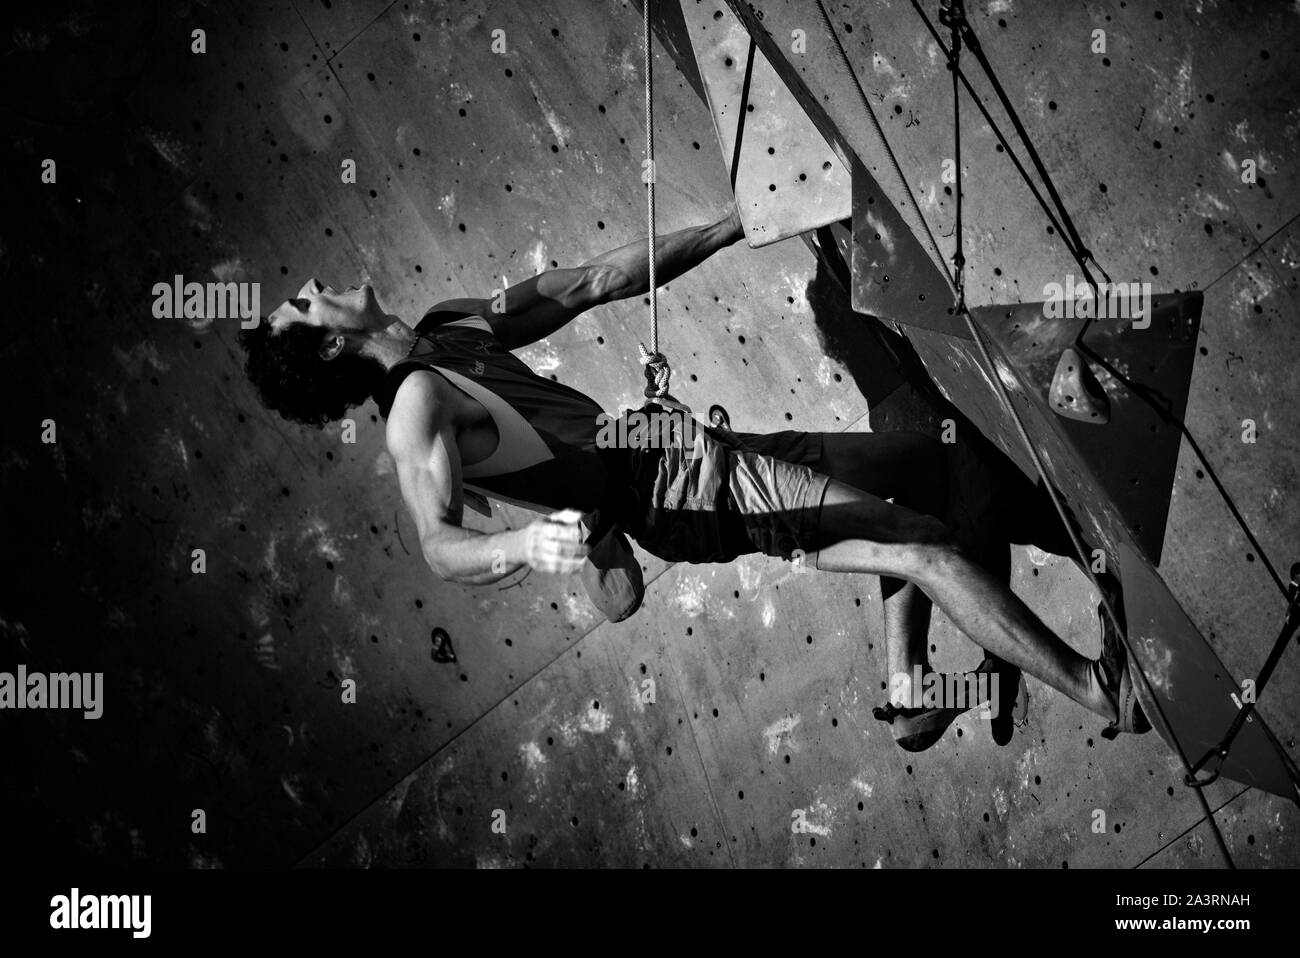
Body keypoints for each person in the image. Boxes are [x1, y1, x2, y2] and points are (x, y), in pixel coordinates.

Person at [240, 209, 1147, 752]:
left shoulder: (446, 328)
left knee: (935, 468)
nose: (314, 282)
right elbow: (437, 546)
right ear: (327, 342)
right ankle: (1096, 686)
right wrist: (523, 542)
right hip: (681, 495)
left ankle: (911, 695)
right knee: (922, 541)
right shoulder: (413, 410)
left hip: (683, 454)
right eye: (302, 301)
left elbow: (594, 278)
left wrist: (736, 222)